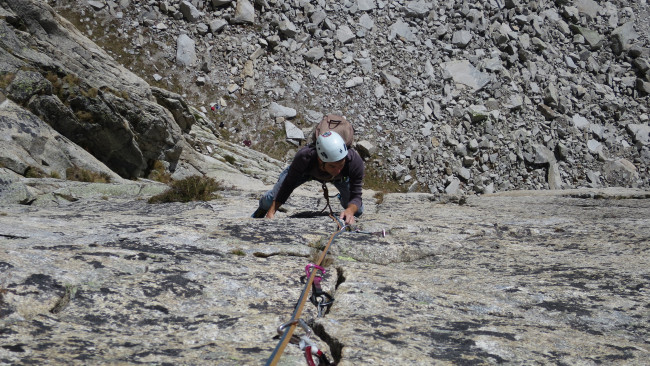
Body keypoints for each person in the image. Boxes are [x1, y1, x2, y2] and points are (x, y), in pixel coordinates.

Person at [252, 131, 364, 225]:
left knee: (357, 211)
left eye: (341, 165)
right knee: (271, 199)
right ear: (320, 160)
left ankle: (342, 197)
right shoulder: (304, 157)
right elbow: (288, 185)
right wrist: (271, 212)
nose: (338, 170)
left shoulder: (354, 162)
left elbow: (356, 195)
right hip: (306, 173)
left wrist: (350, 210)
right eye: (333, 166)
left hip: (340, 179)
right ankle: (262, 207)